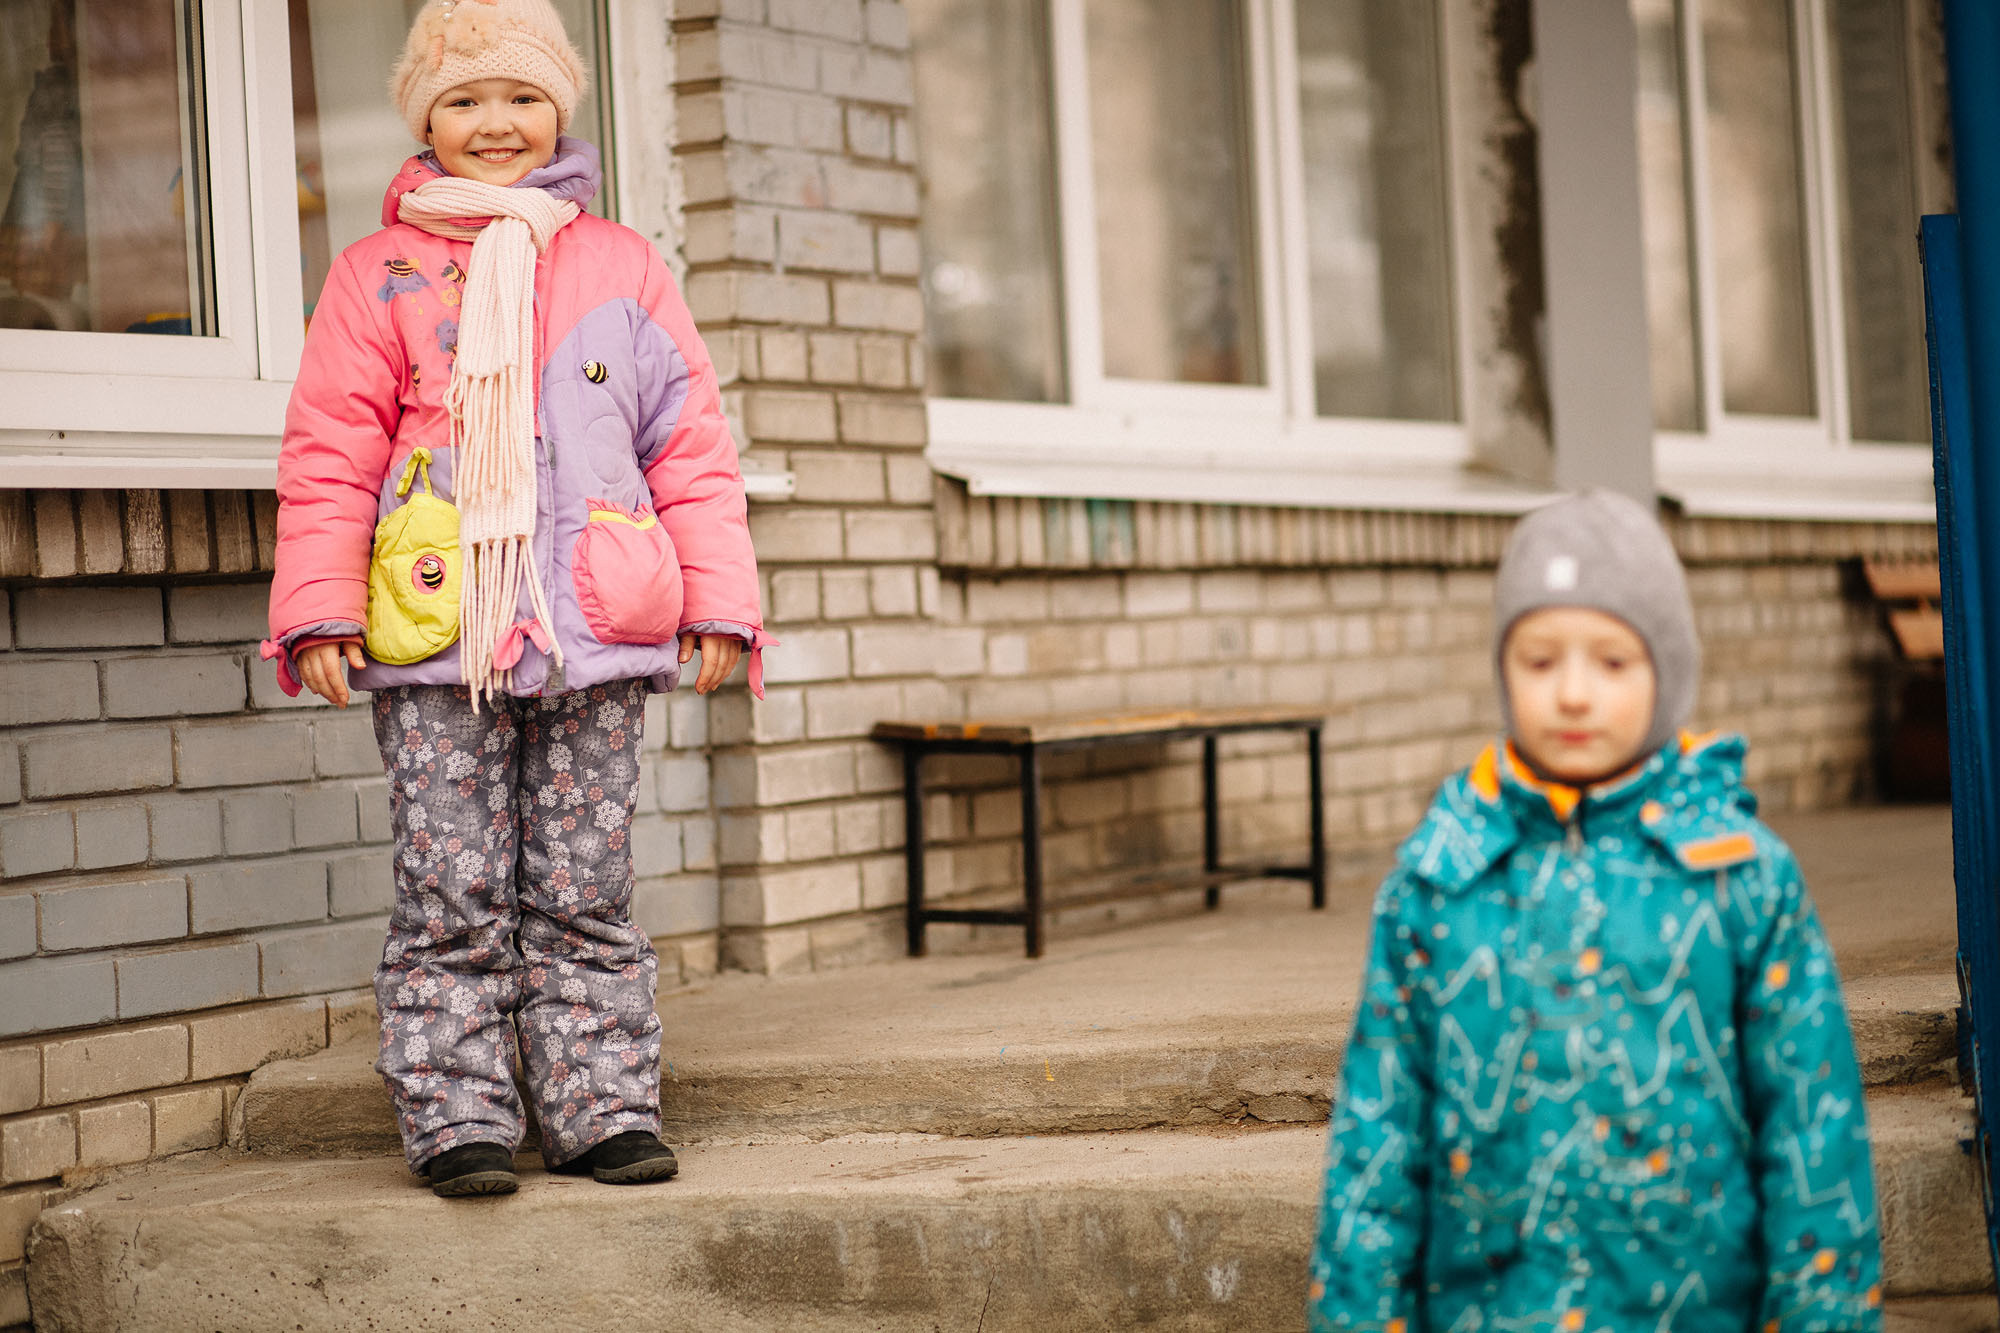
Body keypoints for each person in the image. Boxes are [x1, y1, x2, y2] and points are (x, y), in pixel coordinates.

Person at [261, 0, 768, 1199]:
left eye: (523, 97)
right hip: (441, 630)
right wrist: (321, 606)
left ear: (562, 109)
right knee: (453, 885)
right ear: (424, 117)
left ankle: (600, 1109)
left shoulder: (621, 263)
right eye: (465, 99)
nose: (497, 123)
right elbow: (329, 450)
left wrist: (719, 602)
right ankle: (458, 1115)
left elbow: (687, 444)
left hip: (594, 624)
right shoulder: (373, 275)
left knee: (584, 882)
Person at [1307, 490, 1881, 1330]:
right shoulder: (1438, 886)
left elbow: (1811, 1129)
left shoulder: (1741, 879)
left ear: (1668, 671)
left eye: (1613, 662)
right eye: (1540, 661)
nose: (1573, 694)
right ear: (1503, 670)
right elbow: (1378, 1140)